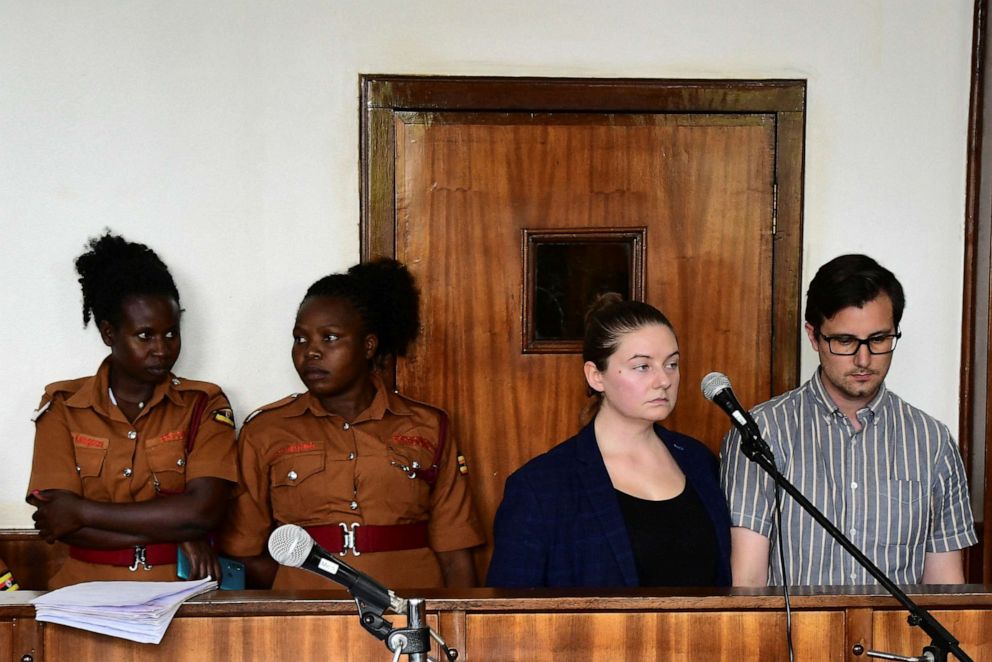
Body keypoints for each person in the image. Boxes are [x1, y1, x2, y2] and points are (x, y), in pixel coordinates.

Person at [219, 258, 484, 590]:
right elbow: (244, 549)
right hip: (306, 617)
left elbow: (455, 550)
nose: (310, 352)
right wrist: (298, 590)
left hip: (410, 612)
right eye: (300, 339)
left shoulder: (428, 426)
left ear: (368, 346)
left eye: (329, 338)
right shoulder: (266, 430)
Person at [722, 254, 977, 586]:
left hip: (898, 638)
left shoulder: (932, 441)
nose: (863, 359)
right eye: (844, 341)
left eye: (878, 339)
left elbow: (943, 586)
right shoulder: (761, 433)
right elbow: (748, 581)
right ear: (813, 337)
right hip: (795, 637)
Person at [25, 232, 239, 588]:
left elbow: (203, 513)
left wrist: (83, 511)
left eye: (171, 334)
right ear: (109, 332)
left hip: (176, 591)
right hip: (83, 591)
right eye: (145, 335)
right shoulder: (62, 406)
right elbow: (58, 524)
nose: (162, 349)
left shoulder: (204, 404)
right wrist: (174, 529)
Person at [487, 294, 732, 588]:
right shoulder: (541, 487)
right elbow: (505, 616)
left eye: (671, 364)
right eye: (642, 366)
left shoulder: (697, 459)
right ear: (595, 376)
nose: (664, 380)